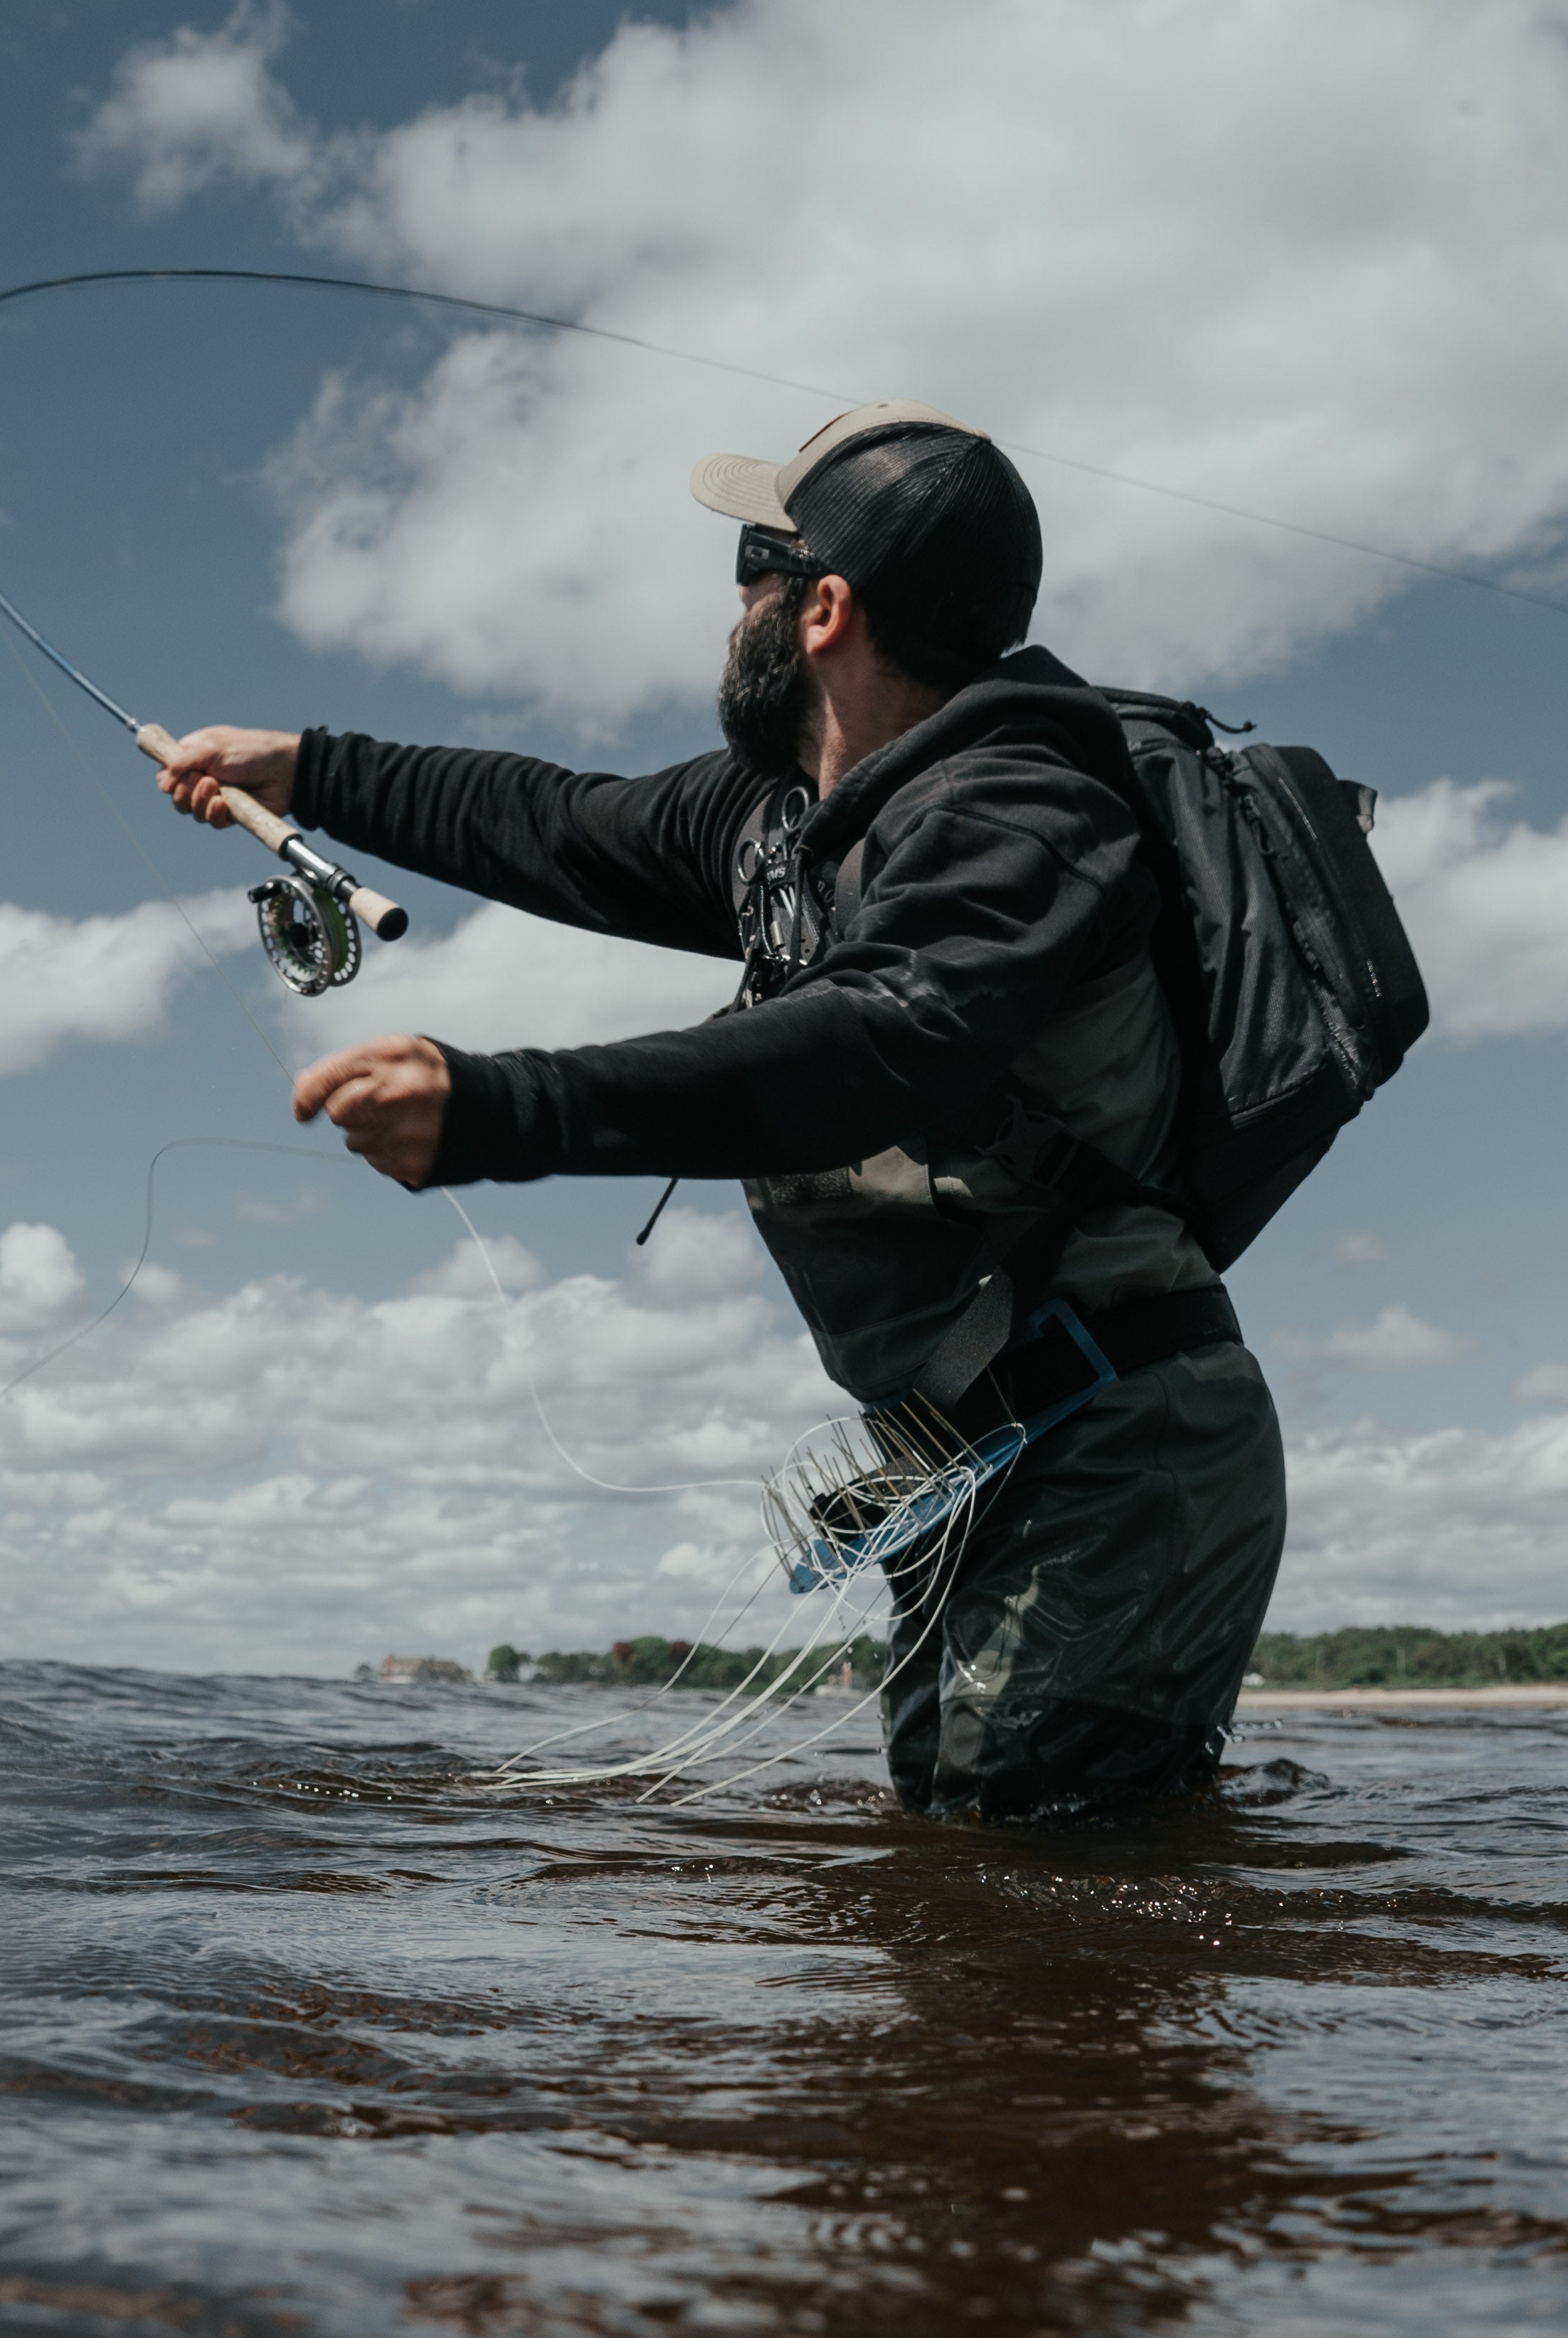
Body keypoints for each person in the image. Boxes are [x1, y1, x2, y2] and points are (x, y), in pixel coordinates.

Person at [161, 399, 1286, 1817]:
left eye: (751, 571)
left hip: (1117, 1455)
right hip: (968, 1461)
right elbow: (553, 823)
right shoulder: (779, 820)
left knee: (1038, 1873)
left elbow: (876, 1042)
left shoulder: (1023, 813)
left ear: (820, 609)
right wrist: (310, 769)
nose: (734, 608)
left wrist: (506, 1109)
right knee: (972, 1882)